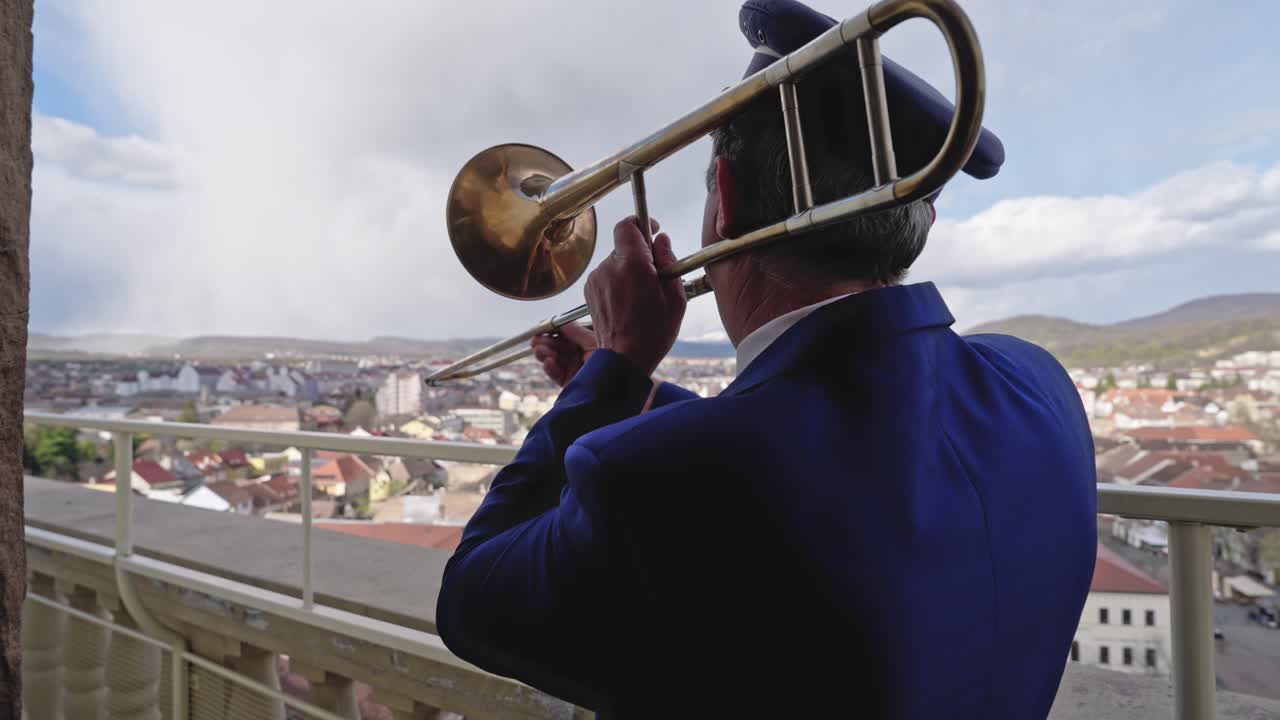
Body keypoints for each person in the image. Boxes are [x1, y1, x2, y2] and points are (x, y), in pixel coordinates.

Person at [437, 1, 1097, 717]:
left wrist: (617, 369)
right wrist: (637, 394)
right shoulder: (1039, 386)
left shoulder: (656, 479)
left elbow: (474, 600)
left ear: (722, 198)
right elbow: (836, 451)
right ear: (921, 222)